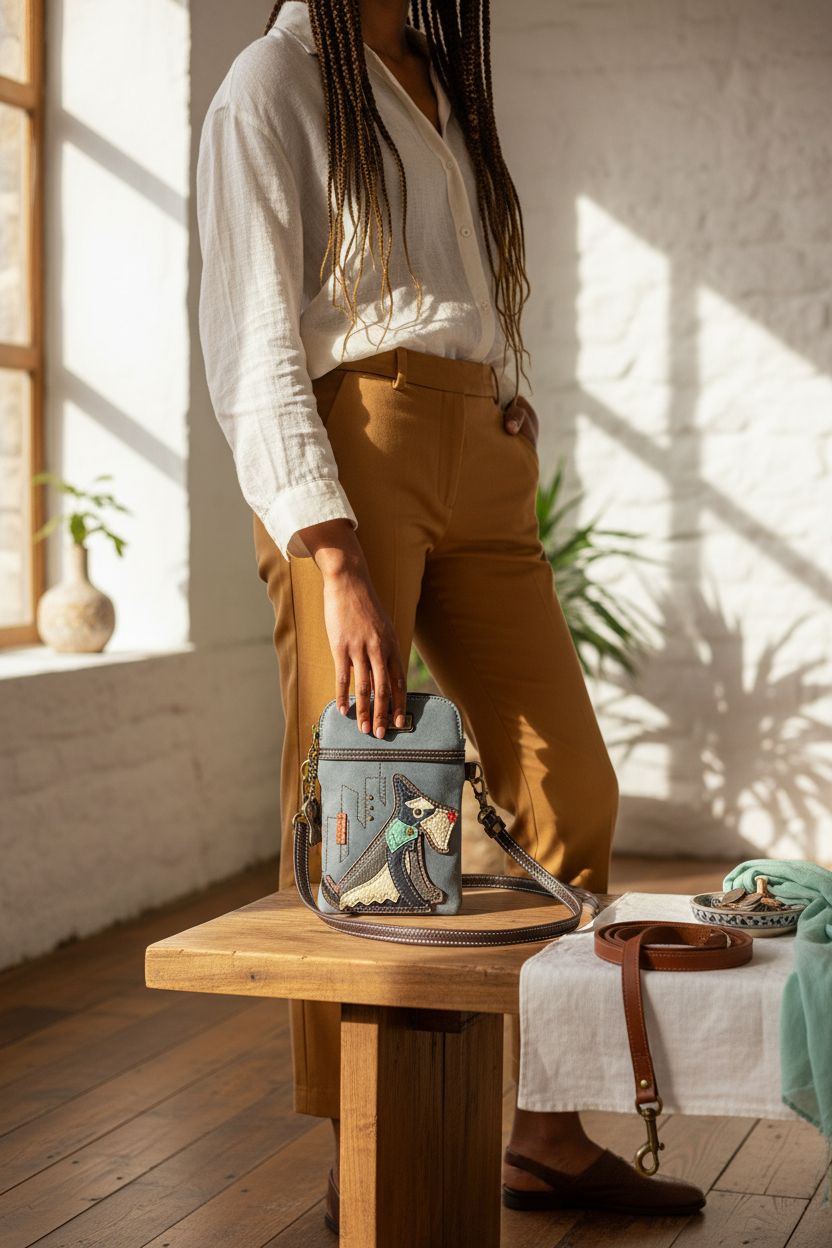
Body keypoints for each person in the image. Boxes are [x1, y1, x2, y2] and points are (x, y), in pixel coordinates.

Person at [196, 0, 706, 1229]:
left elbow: (451, 284)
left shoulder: (434, 83)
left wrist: (504, 396)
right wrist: (333, 551)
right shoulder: (271, 81)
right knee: (360, 813)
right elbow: (252, 336)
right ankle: (359, 1147)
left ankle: (541, 1122)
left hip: (478, 445)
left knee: (568, 783)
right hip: (355, 448)